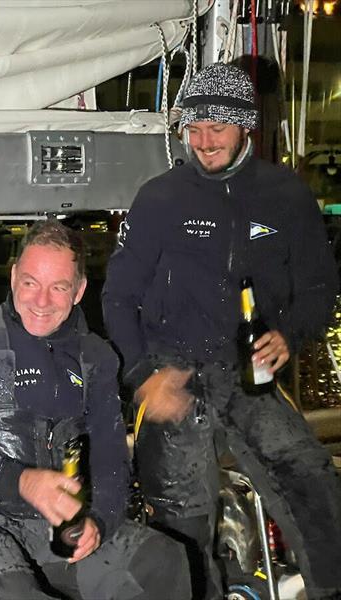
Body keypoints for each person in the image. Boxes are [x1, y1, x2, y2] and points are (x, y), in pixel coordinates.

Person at [102, 63, 341, 600]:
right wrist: (143, 375)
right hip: (173, 374)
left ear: (245, 127)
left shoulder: (287, 195)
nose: (204, 141)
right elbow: (117, 297)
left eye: (217, 127)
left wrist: (290, 334)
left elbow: (320, 289)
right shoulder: (159, 197)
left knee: (313, 486)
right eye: (195, 127)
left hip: (249, 373)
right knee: (180, 527)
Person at [0, 220, 190, 600]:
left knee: (164, 560)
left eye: (58, 287)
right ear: (13, 277)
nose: (41, 302)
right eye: (30, 283)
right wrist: (22, 481)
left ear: (79, 291)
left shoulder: (96, 357)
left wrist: (101, 520)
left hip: (54, 526)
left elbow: (110, 460)